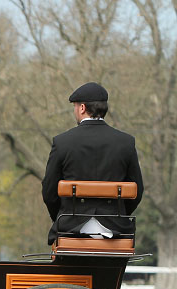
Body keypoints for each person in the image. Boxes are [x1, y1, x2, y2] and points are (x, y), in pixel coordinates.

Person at [41, 82, 143, 244]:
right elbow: (137, 192)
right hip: (115, 229)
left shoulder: (63, 142)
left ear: (82, 108)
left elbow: (49, 191)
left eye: (75, 106)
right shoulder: (126, 142)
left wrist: (63, 217)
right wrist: (119, 215)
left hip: (71, 229)